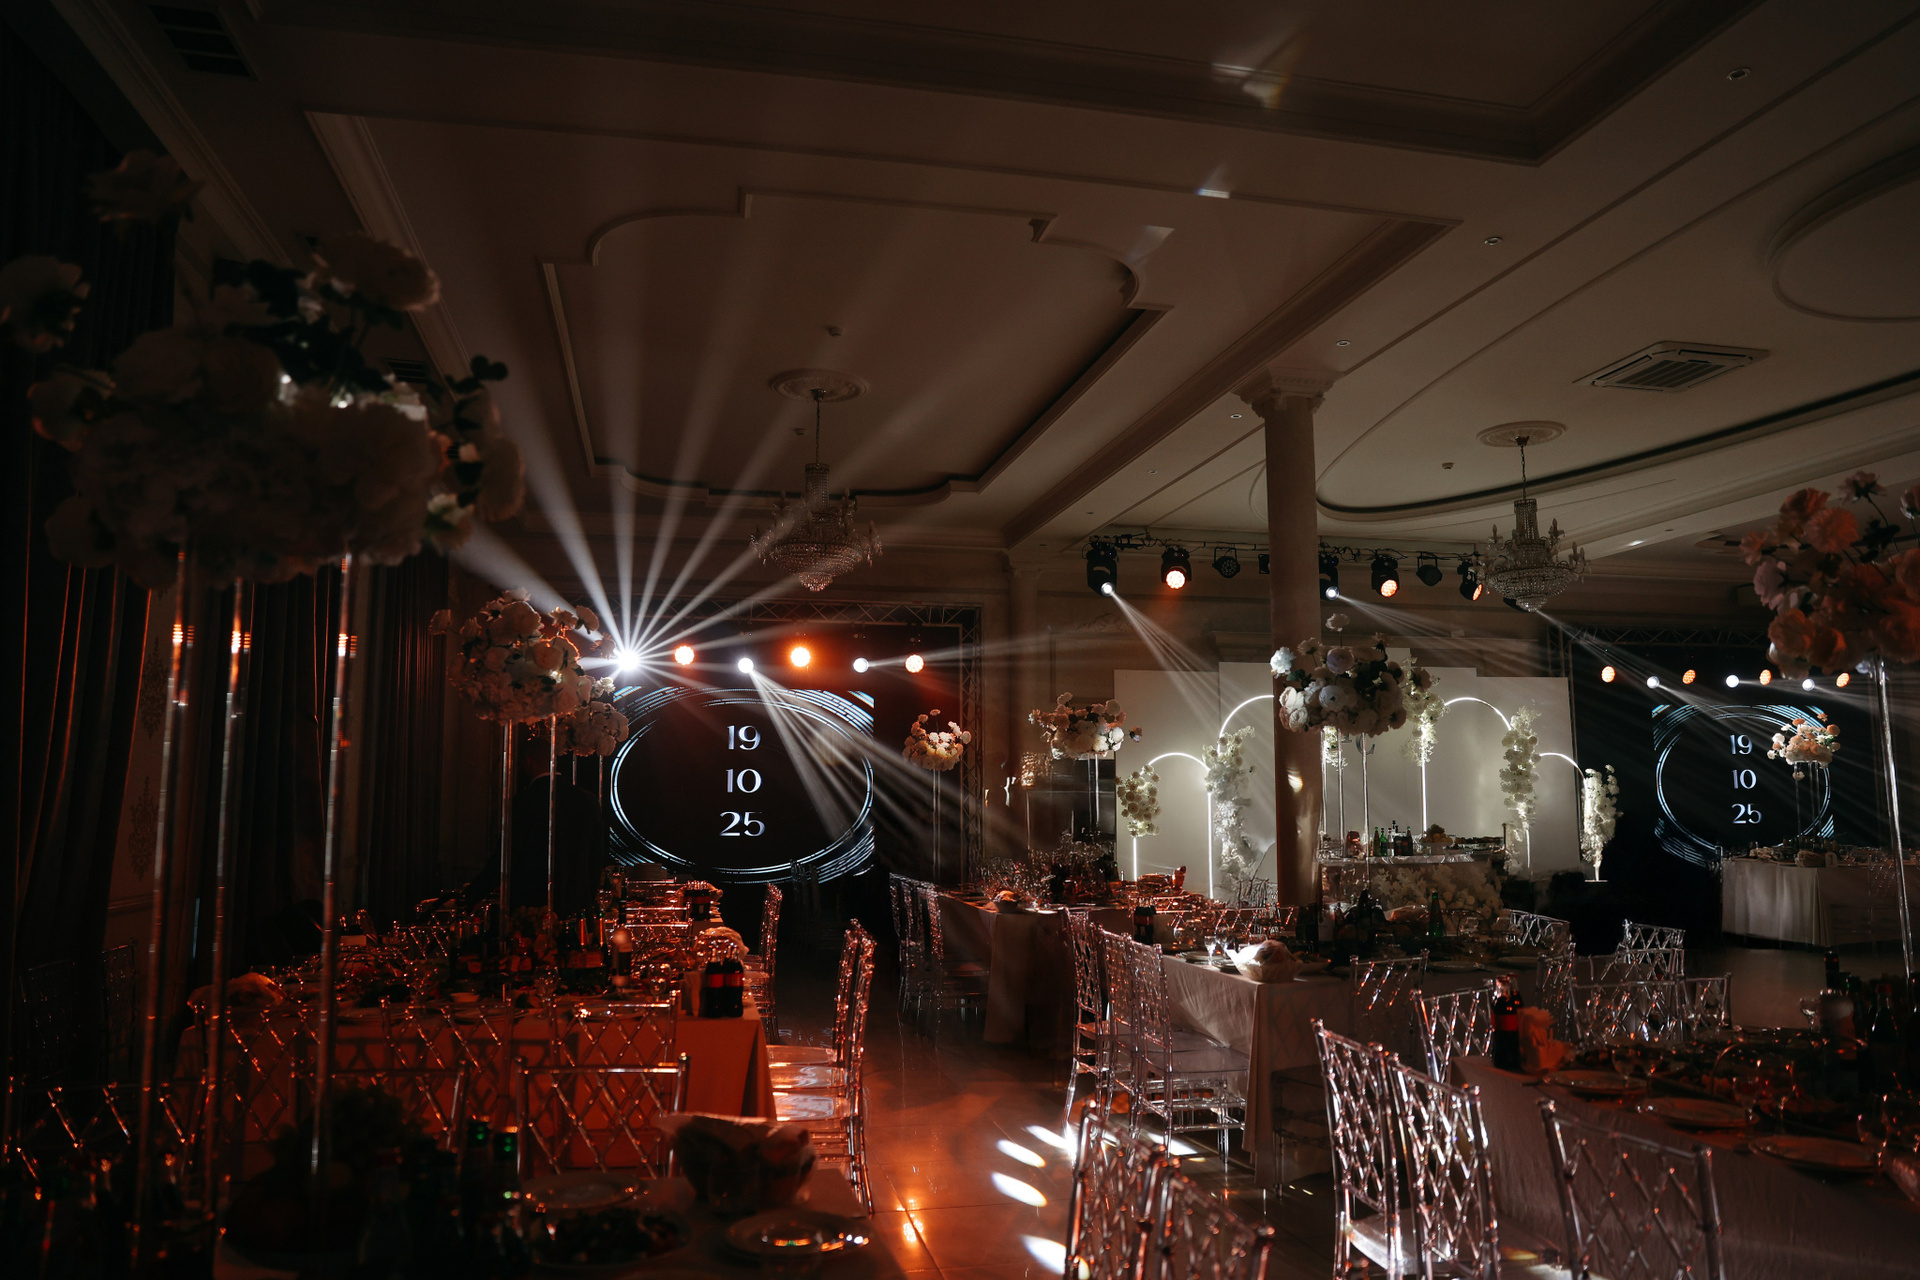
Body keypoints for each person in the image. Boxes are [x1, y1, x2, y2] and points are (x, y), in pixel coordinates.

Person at [510, 749, 608, 918]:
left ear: (527, 762)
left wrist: (471, 896)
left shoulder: (523, 802)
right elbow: (596, 859)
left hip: (533, 909)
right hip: (577, 904)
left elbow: (507, 856)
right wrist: (587, 900)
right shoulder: (588, 801)